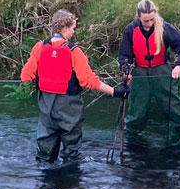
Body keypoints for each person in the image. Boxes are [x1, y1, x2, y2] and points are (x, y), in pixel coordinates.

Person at [21, 9, 130, 163]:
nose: (73, 32)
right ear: (65, 28)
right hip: (69, 108)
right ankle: (69, 176)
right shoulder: (74, 51)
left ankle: (45, 174)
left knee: (45, 153)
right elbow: (89, 81)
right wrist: (115, 92)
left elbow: (26, 77)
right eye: (73, 28)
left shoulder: (39, 47)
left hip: (46, 106)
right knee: (71, 152)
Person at [117, 0, 180, 142]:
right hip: (139, 74)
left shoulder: (165, 27)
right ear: (139, 17)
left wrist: (179, 64)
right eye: (146, 21)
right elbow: (124, 56)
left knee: (174, 108)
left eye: (152, 19)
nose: (150, 23)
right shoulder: (130, 30)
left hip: (162, 72)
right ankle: (133, 142)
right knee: (137, 113)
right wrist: (126, 70)